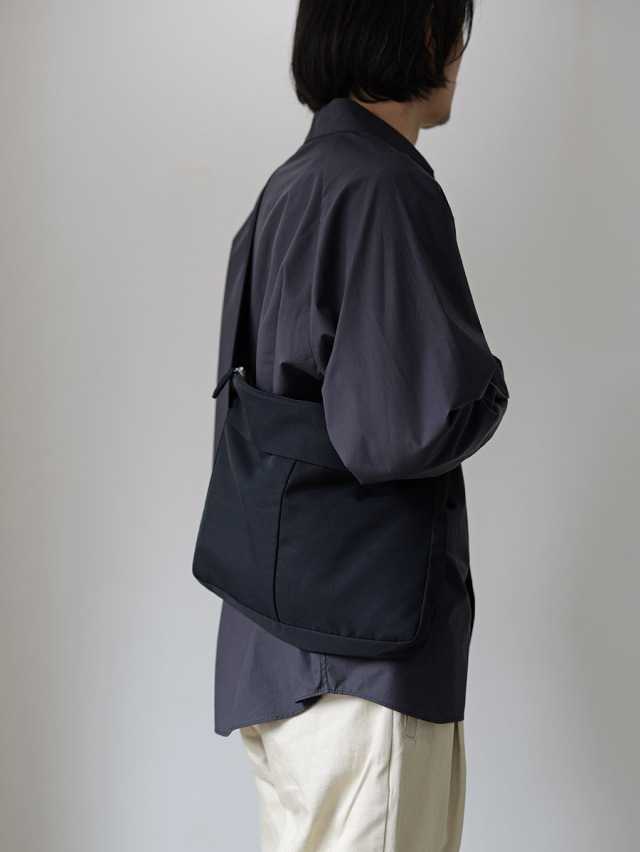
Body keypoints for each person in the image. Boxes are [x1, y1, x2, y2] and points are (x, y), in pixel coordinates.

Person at [210, 1, 509, 849]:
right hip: (360, 666)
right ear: (426, 36)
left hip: (277, 655)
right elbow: (403, 427)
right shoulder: (384, 188)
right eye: (456, 32)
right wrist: (490, 387)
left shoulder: (289, 187)